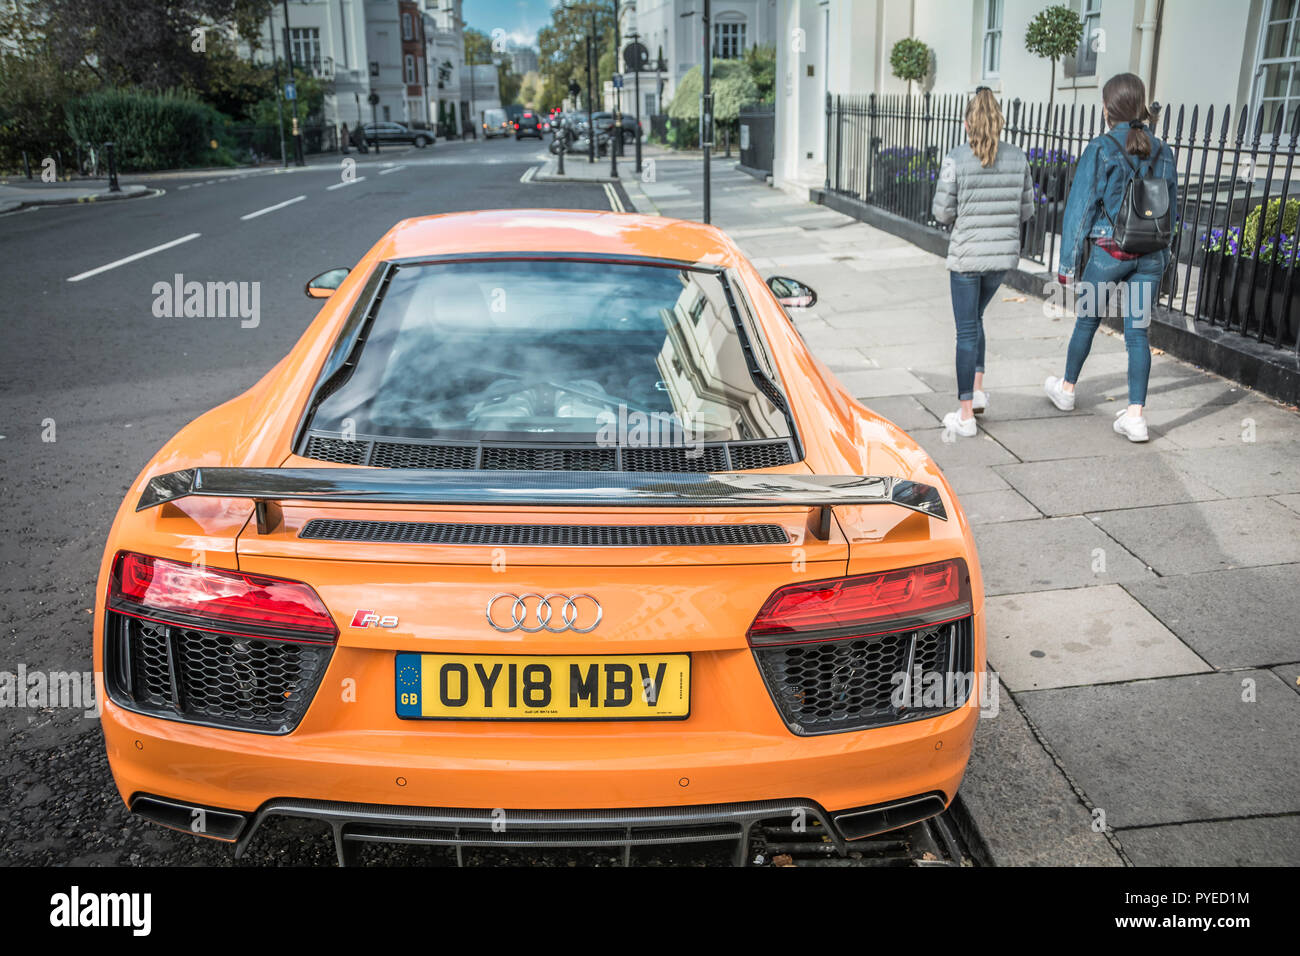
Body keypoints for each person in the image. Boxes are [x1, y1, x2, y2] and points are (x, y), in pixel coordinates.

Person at [1045, 72, 1178, 442]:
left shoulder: (1101, 148)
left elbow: (1081, 207)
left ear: (1107, 108)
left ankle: (1067, 390)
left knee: (1086, 322)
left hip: (1109, 251)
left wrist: (1067, 265)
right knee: (1138, 333)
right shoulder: (1163, 150)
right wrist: (1168, 256)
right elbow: (1172, 209)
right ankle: (1136, 415)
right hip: (1151, 252)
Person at [932, 87, 1036, 438]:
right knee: (975, 320)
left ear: (967, 123)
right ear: (999, 122)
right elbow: (1027, 210)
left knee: (965, 330)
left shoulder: (956, 159)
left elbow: (942, 212)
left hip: (967, 258)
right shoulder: (1018, 158)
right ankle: (976, 393)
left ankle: (965, 416)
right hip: (1000, 259)